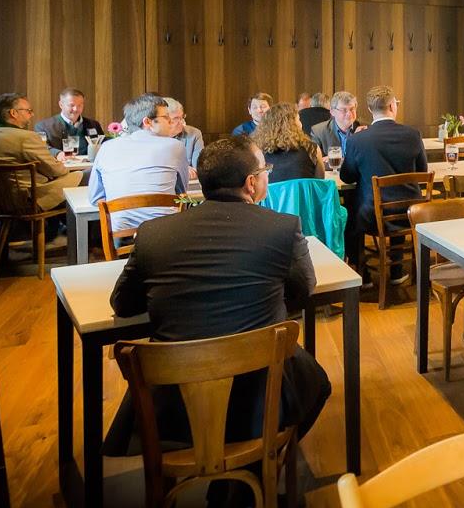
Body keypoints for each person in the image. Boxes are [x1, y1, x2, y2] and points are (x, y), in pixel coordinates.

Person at [107, 135, 331, 456]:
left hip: (174, 400)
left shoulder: (154, 234)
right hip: (259, 394)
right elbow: (302, 290)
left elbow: (124, 305)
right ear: (251, 183)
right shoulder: (281, 228)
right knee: (317, 384)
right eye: (265, 169)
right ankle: (253, 473)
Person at [341, 85, 427, 267]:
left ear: (370, 109)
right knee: (399, 196)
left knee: (351, 209)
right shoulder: (413, 135)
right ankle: (397, 268)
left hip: (372, 214)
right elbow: (422, 172)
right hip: (411, 212)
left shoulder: (357, 140)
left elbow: (347, 177)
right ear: (392, 106)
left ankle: (362, 274)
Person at [88, 94, 190, 231]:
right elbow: (182, 192)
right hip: (165, 234)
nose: (171, 122)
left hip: (121, 235)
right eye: (166, 118)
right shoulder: (175, 146)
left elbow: (95, 198)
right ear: (147, 122)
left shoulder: (106, 147)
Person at [0, 93, 83, 209]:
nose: (32, 114)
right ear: (13, 113)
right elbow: (55, 171)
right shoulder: (26, 137)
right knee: (90, 175)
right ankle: (83, 227)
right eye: (28, 111)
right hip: (29, 200)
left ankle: (53, 226)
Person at [253, 102, 325, 182]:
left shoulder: (257, 152)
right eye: (299, 120)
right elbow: (319, 183)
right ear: (294, 125)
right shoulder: (312, 149)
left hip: (271, 194)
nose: (301, 124)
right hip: (302, 194)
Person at [34, 87, 103, 155]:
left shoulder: (94, 124)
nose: (76, 109)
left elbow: (104, 144)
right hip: (59, 165)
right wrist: (57, 153)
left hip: (90, 165)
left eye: (79, 105)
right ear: (61, 105)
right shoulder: (43, 126)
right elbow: (41, 148)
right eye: (71, 105)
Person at [312, 91, 363, 155]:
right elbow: (315, 160)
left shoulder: (364, 129)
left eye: (352, 109)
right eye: (344, 110)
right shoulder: (319, 132)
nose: (349, 114)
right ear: (332, 111)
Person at [162, 96, 204, 169]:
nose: (182, 122)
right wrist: (181, 169)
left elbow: (200, 166)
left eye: (182, 117)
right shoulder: (152, 137)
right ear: (164, 120)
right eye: (176, 118)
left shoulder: (194, 134)